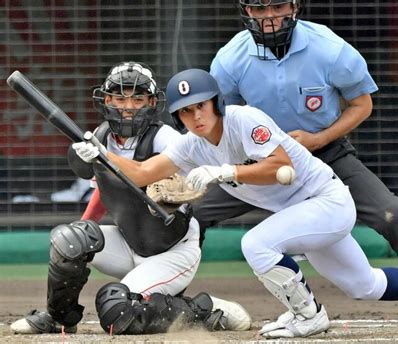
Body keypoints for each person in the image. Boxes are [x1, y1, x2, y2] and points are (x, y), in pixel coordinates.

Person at [71, 69, 398, 338]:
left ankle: (308, 316)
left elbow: (280, 165)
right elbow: (141, 173)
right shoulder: (190, 145)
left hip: (326, 200)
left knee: (256, 244)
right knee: (365, 285)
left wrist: (227, 173)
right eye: (185, 111)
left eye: (201, 106)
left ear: (217, 104)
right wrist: (100, 155)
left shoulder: (246, 120)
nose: (195, 116)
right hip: (301, 214)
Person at [194, 0, 398, 325]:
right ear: (246, 12)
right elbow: (220, 120)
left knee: (394, 215)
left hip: (325, 154)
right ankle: (172, 308)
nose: (270, 16)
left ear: (294, 6)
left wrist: (318, 139)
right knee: (191, 215)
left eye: (278, 6)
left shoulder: (328, 48)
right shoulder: (229, 60)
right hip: (263, 165)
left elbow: (361, 103)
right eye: (259, 9)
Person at [10, 62, 251, 335]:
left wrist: (173, 187)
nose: (128, 105)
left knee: (116, 311)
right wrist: (81, 232)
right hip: (129, 242)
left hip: (171, 250)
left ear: (151, 102)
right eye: (120, 97)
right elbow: (103, 189)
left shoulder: (164, 138)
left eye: (137, 99)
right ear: (107, 99)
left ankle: (204, 310)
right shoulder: (100, 138)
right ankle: (59, 318)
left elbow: (190, 179)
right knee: (70, 240)